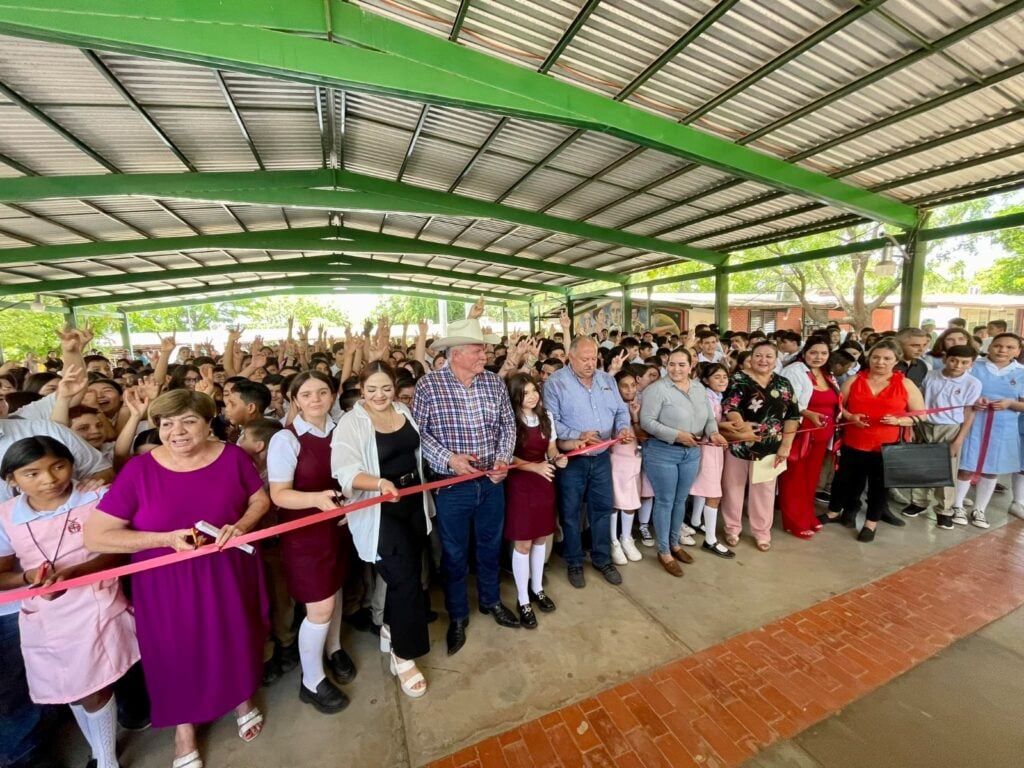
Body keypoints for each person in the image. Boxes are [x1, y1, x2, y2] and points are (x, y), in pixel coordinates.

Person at [86, 390, 269, 768]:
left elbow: (260, 499)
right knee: (175, 651)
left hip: (227, 569)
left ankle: (241, 697)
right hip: (166, 582)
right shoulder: (140, 470)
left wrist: (240, 525)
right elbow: (96, 535)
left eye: (188, 421)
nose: (177, 431)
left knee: (234, 634)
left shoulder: (233, 457)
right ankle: (184, 729)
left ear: (208, 423)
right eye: (167, 423)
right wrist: (165, 540)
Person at [0, 437, 138, 768]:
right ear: (12, 481)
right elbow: (3, 573)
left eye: (58, 467)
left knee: (91, 684)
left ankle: (105, 760)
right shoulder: (6, 515)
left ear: (72, 466)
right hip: (43, 609)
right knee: (70, 687)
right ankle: (97, 750)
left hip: (95, 595)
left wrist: (77, 572)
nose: (49, 479)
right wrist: (29, 578)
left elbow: (119, 550)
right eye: (31, 474)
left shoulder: (96, 497)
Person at [412, 318, 518, 656]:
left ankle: (490, 601)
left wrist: (502, 460)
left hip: (491, 483)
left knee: (489, 548)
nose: (484, 354)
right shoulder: (429, 386)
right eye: (477, 349)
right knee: (455, 555)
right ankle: (458, 615)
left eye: (484, 349)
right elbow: (419, 434)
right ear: (456, 353)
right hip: (452, 486)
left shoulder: (494, 384)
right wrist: (449, 459)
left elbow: (508, 424)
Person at [332, 362, 432, 696]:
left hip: (413, 503)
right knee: (404, 582)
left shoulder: (403, 409)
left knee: (408, 576)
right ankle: (404, 657)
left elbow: (419, 450)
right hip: (380, 509)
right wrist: (378, 483)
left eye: (386, 388)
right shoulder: (351, 423)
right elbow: (345, 472)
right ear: (362, 389)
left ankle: (390, 628)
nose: (380, 395)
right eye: (372, 389)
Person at [267, 371, 356, 714]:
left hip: (338, 525)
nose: (316, 399)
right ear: (295, 400)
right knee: (318, 607)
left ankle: (334, 648)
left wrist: (351, 501)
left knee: (335, 591)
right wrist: (317, 499)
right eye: (306, 394)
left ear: (333, 394)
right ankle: (312, 679)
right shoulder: (285, 440)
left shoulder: (342, 430)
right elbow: (279, 495)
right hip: (305, 532)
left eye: (322, 392)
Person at [545, 336, 633, 589]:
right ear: (570, 357)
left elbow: (620, 411)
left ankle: (602, 558)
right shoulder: (556, 382)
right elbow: (551, 421)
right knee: (571, 513)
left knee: (602, 508)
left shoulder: (606, 380)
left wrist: (623, 428)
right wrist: (577, 435)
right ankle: (574, 561)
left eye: (593, 358)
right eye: (584, 358)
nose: (589, 363)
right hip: (573, 459)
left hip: (602, 456)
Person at [820, 340, 926, 542]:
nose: (880, 362)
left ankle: (871, 523)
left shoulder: (905, 384)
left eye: (887, 358)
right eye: (876, 357)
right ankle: (835, 512)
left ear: (896, 360)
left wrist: (899, 420)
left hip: (886, 446)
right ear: (869, 358)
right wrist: (850, 417)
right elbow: (838, 407)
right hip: (854, 441)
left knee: (879, 486)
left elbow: (921, 415)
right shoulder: (855, 380)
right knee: (845, 481)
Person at [639, 348, 726, 576]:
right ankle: (664, 551)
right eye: (672, 364)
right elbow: (646, 422)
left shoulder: (698, 388)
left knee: (680, 500)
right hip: (663, 451)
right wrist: (677, 435)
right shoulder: (656, 390)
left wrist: (713, 432)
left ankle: (675, 543)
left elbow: (708, 416)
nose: (676, 369)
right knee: (665, 501)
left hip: (692, 452)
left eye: (681, 365)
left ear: (691, 366)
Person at [721, 341, 801, 551]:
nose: (763, 360)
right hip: (739, 445)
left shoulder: (783, 384)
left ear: (776, 360)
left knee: (764, 491)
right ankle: (732, 528)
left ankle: (761, 532)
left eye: (768, 356)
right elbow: (730, 407)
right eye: (758, 355)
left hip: (770, 447)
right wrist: (741, 426)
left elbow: (792, 416)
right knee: (733, 488)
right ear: (751, 357)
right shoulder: (738, 379)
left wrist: (786, 445)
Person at [502, 374, 565, 627]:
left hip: (544, 481)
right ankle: (522, 598)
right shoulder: (510, 420)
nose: (532, 396)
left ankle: (537, 588)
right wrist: (534, 467)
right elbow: (508, 457)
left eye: (534, 390)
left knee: (541, 538)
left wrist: (558, 458)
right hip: (521, 484)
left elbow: (550, 448)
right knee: (523, 543)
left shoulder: (546, 416)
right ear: (516, 395)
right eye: (526, 392)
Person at [952, 333, 1024, 528]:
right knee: (966, 465)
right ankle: (957, 505)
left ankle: (980, 509)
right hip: (974, 422)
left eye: (1010, 347)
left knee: (992, 470)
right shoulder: (974, 366)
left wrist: (1011, 403)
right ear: (989, 346)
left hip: (1003, 427)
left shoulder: (1021, 372)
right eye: (998, 345)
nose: (1003, 350)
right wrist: (975, 400)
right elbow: (958, 390)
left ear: (1018, 351)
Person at [906, 346, 981, 528]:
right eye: (954, 360)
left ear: (971, 363)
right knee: (921, 465)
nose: (957, 365)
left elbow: (969, 412)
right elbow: (920, 400)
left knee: (946, 470)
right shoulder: (931, 375)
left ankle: (944, 509)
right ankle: (919, 502)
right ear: (946, 358)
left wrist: (959, 440)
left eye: (964, 362)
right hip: (925, 425)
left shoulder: (972, 383)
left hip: (950, 428)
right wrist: (915, 425)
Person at [779, 337, 840, 539]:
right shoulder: (794, 371)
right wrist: (809, 414)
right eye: (814, 352)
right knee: (794, 479)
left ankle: (808, 515)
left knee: (811, 479)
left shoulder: (826, 374)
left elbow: (835, 404)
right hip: (800, 434)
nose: (818, 357)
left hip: (822, 437)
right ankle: (794, 522)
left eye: (823, 353)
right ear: (804, 353)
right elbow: (788, 402)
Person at [609, 371, 644, 565]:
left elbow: (642, 435)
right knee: (615, 501)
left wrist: (635, 416)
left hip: (634, 458)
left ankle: (626, 537)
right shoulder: (611, 405)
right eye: (624, 385)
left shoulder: (638, 405)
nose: (630, 389)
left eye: (633, 385)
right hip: (615, 459)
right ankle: (613, 540)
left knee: (630, 501)